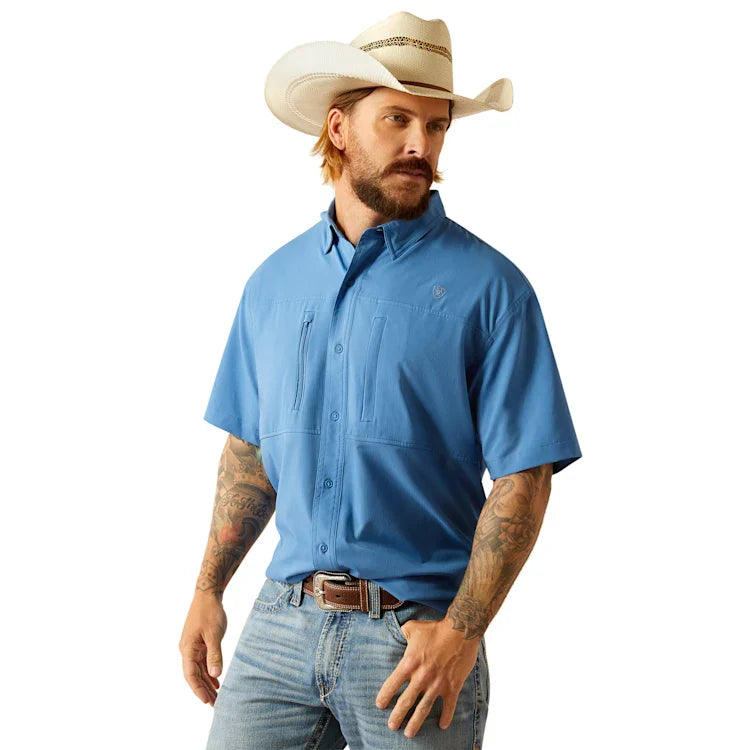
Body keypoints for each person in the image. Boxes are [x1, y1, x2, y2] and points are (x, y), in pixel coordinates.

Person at [179, 11, 582, 749]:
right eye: (397, 119)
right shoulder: (272, 284)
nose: (420, 144)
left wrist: (461, 634)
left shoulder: (492, 290)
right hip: (279, 625)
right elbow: (249, 451)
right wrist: (209, 588)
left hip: (413, 639)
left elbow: (525, 476)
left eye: (436, 126)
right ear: (338, 128)